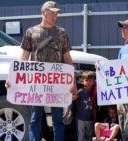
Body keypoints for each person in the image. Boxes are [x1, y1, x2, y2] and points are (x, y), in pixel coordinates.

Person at [5, 1, 77, 141]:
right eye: (52, 13)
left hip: (57, 83)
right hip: (36, 84)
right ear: (43, 12)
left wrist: (72, 80)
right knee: (35, 118)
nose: (54, 16)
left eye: (56, 14)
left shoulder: (61, 33)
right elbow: (24, 57)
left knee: (58, 119)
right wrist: (12, 78)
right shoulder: (31, 32)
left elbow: (67, 57)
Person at [73, 71, 96, 141]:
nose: (88, 82)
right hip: (80, 119)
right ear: (83, 82)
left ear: (94, 82)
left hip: (90, 119)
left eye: (90, 80)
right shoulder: (81, 91)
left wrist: (94, 118)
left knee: (89, 136)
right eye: (86, 80)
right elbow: (73, 98)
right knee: (81, 136)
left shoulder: (94, 92)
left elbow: (94, 107)